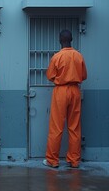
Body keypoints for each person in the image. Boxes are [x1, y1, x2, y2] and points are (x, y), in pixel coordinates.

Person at [43, 29, 87, 169]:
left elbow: (50, 76)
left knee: (56, 126)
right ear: (71, 39)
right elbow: (84, 76)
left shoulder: (57, 57)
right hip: (75, 90)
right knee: (74, 127)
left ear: (59, 40)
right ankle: (74, 160)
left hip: (61, 90)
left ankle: (52, 160)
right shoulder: (79, 56)